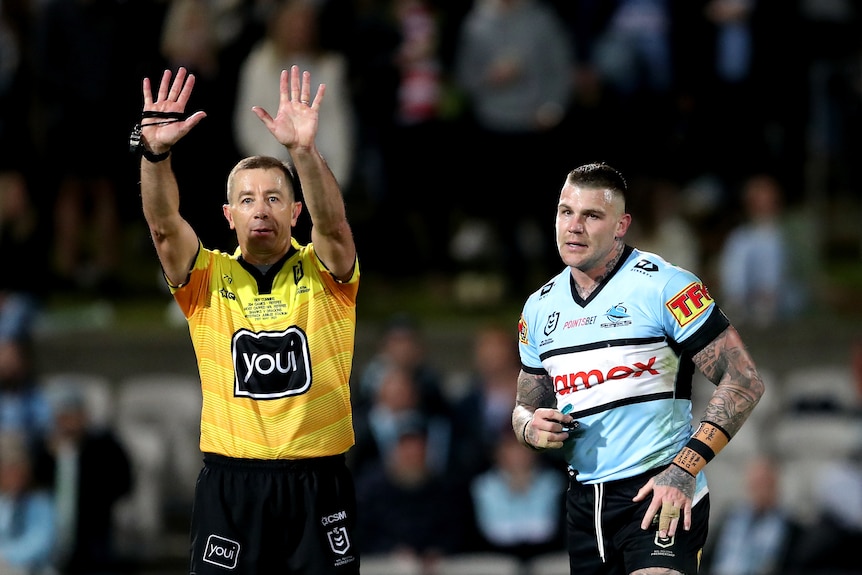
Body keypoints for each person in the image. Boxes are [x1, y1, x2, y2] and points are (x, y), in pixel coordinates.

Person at [135, 65, 360, 574]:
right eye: (248, 199)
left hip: (316, 481)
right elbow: (164, 228)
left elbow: (335, 224)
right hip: (231, 484)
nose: (261, 209)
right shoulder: (205, 278)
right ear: (228, 215)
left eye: (274, 198)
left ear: (295, 212)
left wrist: (302, 152)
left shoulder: (326, 273)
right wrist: (155, 154)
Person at [513, 162, 766, 575]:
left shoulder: (667, 286)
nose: (574, 226)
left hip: (660, 490)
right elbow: (525, 406)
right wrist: (529, 427)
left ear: (621, 224)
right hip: (584, 504)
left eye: (592, 215)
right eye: (566, 212)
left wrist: (686, 467)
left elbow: (743, 380)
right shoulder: (538, 308)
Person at [36, 382, 134, 574]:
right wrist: (56, 457)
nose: (68, 422)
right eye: (62, 416)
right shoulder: (45, 450)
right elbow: (35, 485)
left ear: (84, 415)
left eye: (73, 415)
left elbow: (124, 483)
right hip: (50, 534)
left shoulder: (105, 445)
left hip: (97, 531)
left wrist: (76, 459)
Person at [701, 454, 803, 575]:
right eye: (756, 483)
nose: (761, 490)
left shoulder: (791, 527)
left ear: (776, 484)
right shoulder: (729, 518)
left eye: (766, 484)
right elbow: (707, 557)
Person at [0, 430, 57, 575]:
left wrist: (5, 556)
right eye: (7, 470)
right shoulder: (3, 503)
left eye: (17, 469)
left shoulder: (41, 503)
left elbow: (42, 542)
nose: (12, 476)